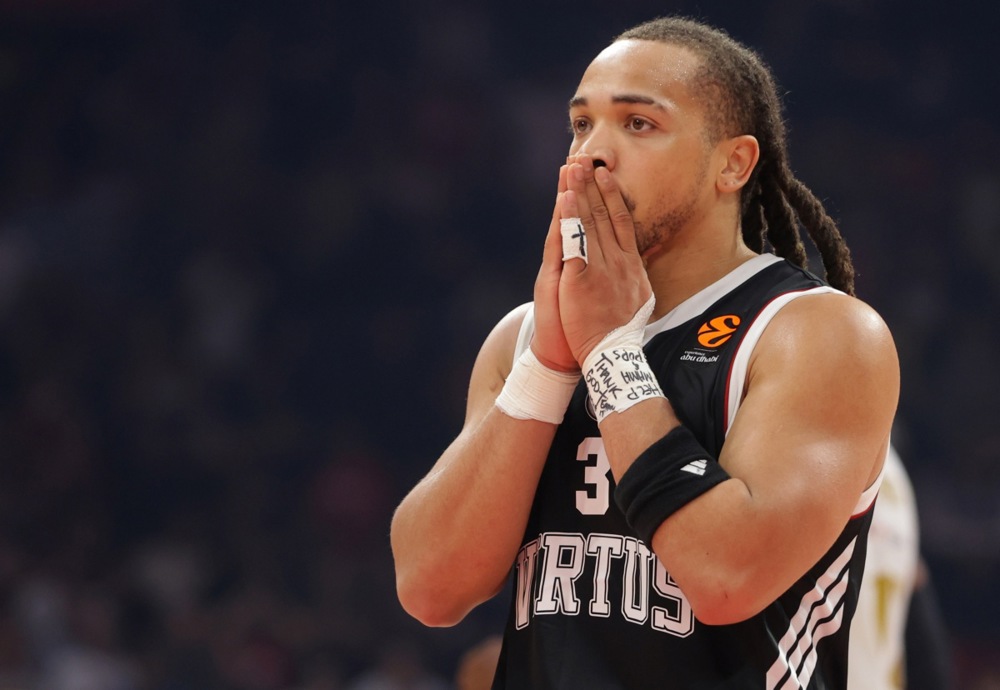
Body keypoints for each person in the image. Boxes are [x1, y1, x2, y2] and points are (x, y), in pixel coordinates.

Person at [390, 15, 900, 689]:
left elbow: (724, 577)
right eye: (581, 125)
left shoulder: (816, 334)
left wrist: (609, 350)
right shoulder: (523, 340)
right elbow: (431, 589)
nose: (592, 153)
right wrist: (547, 365)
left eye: (638, 124)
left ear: (733, 163)